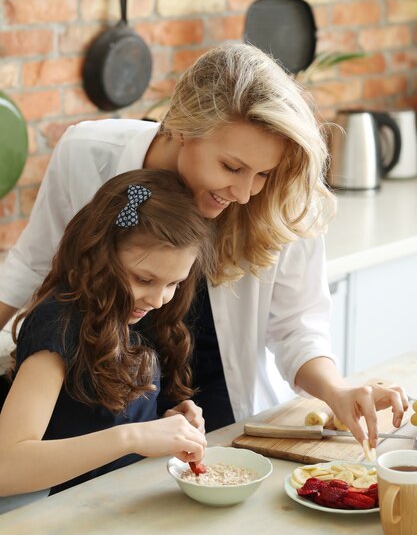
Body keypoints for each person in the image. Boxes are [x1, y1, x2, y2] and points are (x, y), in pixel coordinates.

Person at [0, 43, 408, 447]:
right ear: (180, 125)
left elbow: (297, 327)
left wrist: (336, 391)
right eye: (232, 167)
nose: (246, 193)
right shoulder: (87, 154)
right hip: (113, 424)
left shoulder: (283, 199)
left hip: (223, 418)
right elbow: (32, 267)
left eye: (262, 173)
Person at [0, 169, 212, 497]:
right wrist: (135, 437)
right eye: (143, 279)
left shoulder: (135, 315)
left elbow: (103, 421)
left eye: (174, 283)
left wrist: (164, 423)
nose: (157, 300)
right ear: (98, 256)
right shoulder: (58, 324)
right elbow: (7, 467)